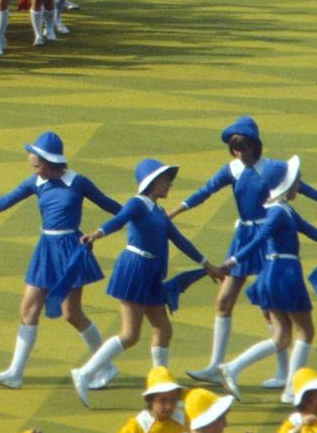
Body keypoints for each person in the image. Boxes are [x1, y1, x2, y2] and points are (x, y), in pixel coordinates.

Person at [0, 131, 125, 391]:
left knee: (72, 313)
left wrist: (144, 215)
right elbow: (4, 201)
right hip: (46, 249)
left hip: (70, 249)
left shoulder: (78, 182)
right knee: (28, 309)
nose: (34, 170)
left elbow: (110, 206)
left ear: (50, 162)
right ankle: (15, 373)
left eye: (37, 165)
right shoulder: (36, 182)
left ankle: (106, 365)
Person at [71, 159, 226, 406]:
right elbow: (119, 220)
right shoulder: (137, 204)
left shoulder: (159, 212)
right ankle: (85, 373)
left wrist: (208, 265)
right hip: (135, 270)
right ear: (152, 182)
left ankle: (161, 384)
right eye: (166, 179)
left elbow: (180, 240)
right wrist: (97, 234)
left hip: (151, 274)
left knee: (163, 328)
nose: (170, 184)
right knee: (130, 334)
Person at [214, 156, 317, 402]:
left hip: (271, 275)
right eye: (296, 181)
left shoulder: (281, 211)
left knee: (283, 335)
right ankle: (292, 389)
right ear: (287, 185)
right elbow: (257, 241)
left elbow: (316, 233)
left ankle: (234, 368)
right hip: (285, 274)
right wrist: (231, 263)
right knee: (306, 331)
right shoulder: (280, 213)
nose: (299, 185)